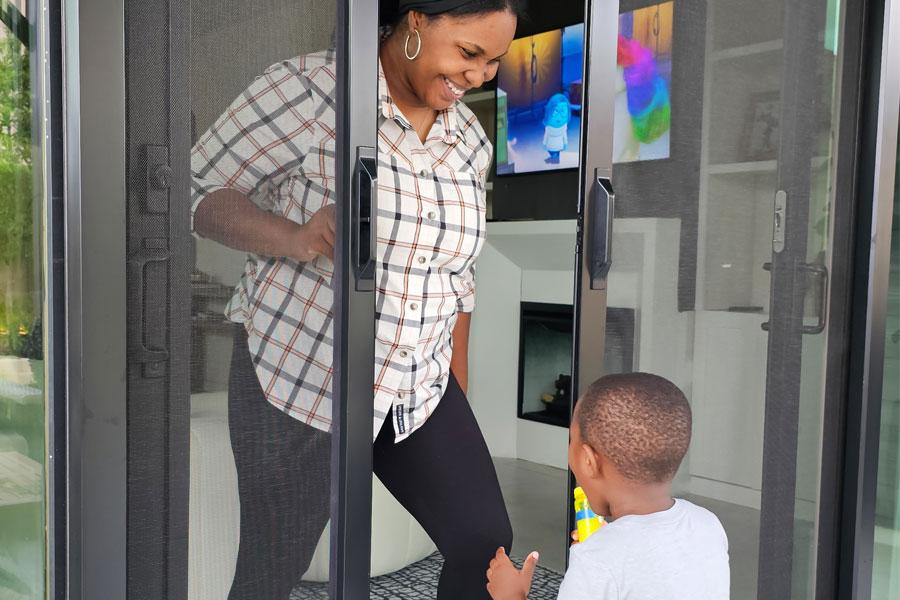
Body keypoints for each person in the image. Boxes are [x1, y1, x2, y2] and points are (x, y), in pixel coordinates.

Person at [190, 1, 523, 598]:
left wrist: (456, 392)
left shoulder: (468, 139)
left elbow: (458, 279)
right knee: (272, 572)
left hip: (417, 385)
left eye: (495, 61)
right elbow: (200, 192)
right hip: (301, 375)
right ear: (416, 22)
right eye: (470, 53)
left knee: (485, 544)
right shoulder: (307, 90)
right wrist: (291, 237)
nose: (480, 77)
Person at [485, 373, 731, 599]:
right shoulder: (708, 525)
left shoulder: (596, 560)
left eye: (572, 439)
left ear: (589, 461)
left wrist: (511, 595)